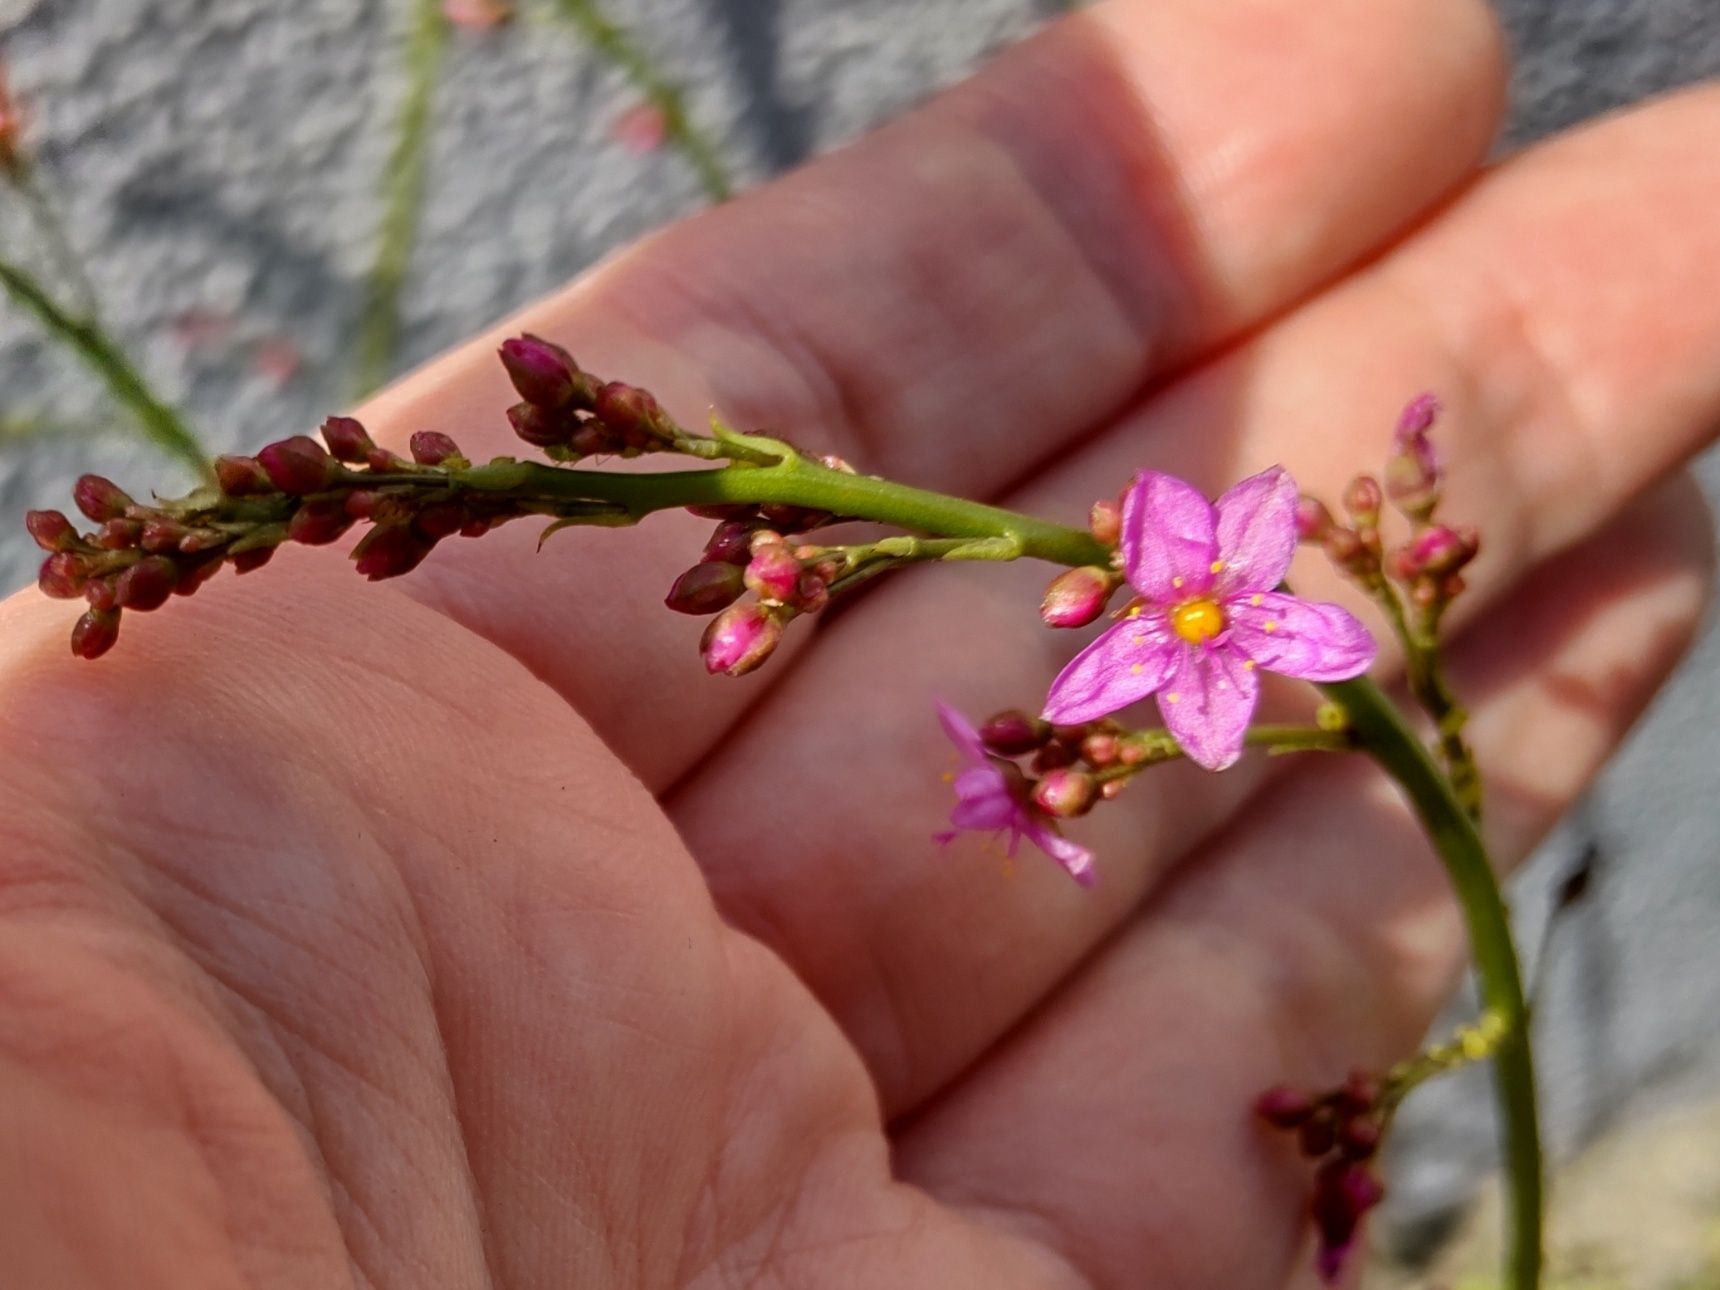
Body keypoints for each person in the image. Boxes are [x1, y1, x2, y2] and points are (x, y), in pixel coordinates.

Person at [2, 0, 1716, 1284]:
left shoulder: (1207, 624)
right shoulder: (1181, 645)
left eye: (1210, 604)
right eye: (1188, 603)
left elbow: (1189, 619)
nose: (1204, 618)